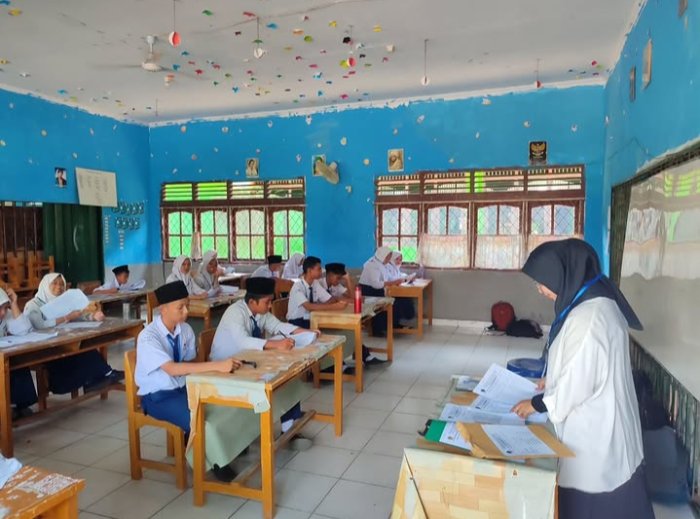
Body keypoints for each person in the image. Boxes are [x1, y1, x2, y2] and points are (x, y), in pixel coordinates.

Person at [512, 239, 654, 519]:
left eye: (542, 282)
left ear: (563, 275)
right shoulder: (595, 302)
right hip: (609, 424)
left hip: (597, 440)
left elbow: (577, 384)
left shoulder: (588, 318)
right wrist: (552, 378)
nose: (540, 289)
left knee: (595, 507)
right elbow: (587, 365)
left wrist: (537, 404)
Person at [134, 280, 242, 482]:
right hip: (157, 396)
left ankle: (226, 446)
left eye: (187, 306)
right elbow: (172, 369)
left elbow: (191, 363)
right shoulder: (148, 337)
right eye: (180, 307)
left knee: (222, 407)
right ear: (163, 309)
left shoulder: (185, 330)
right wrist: (216, 365)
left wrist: (215, 368)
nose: (186, 312)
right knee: (198, 419)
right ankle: (217, 462)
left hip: (184, 388)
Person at [211, 277, 315, 436]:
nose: (270, 305)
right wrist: (276, 344)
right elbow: (243, 341)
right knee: (276, 378)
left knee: (286, 376)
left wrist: (307, 332)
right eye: (267, 302)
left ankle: (289, 424)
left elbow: (278, 326)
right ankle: (278, 424)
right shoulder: (235, 312)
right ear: (252, 302)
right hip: (226, 367)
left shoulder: (260, 312)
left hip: (248, 360)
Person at [24, 273, 124, 394]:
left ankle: (98, 377)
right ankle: (97, 377)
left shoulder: (63, 301)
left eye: (62, 284)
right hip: (44, 347)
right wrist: (66, 317)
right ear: (45, 285)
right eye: (54, 283)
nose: (59, 287)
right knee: (79, 351)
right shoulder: (33, 305)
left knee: (86, 346)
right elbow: (39, 325)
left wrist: (92, 317)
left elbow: (76, 316)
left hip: (62, 340)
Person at [319, 263, 385, 367]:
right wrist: (341, 300)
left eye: (341, 278)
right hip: (320, 320)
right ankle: (339, 363)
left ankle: (363, 356)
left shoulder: (336, 286)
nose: (339, 281)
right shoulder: (319, 285)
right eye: (338, 278)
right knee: (350, 331)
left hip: (334, 317)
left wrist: (348, 279)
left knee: (353, 331)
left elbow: (356, 298)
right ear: (330, 275)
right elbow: (334, 300)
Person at [0, 287, 39, 418]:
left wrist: (14, 304)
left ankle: (20, 405)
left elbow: (25, 330)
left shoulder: (6, 314)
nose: (3, 312)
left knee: (18, 363)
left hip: (3, 356)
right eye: (0, 308)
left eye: (5, 307)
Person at [286, 256, 347, 329]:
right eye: (319, 269)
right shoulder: (297, 286)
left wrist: (319, 307)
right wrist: (334, 306)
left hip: (311, 318)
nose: (321, 271)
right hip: (296, 321)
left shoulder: (315, 283)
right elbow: (309, 307)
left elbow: (331, 299)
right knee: (332, 327)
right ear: (309, 271)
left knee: (337, 325)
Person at [358, 247, 402, 335]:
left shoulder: (382, 264)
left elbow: (388, 277)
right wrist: (392, 282)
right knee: (381, 307)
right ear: (382, 255)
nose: (389, 259)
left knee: (395, 302)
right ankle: (377, 330)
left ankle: (388, 326)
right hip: (368, 291)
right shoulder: (372, 265)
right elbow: (376, 284)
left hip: (376, 290)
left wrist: (397, 281)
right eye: (388, 257)